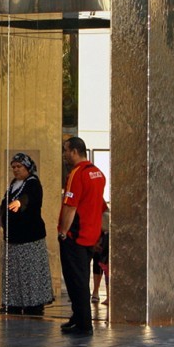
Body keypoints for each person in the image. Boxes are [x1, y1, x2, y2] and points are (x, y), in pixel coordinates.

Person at [0, 152, 54, 316]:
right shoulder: (13, 184)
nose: (16, 170)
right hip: (13, 237)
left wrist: (20, 202)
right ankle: (14, 303)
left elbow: (30, 198)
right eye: (13, 167)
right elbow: (4, 205)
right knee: (14, 273)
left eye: (19, 166)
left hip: (30, 237)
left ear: (27, 167)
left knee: (30, 272)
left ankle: (34, 303)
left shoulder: (33, 183)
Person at [57, 137, 106, 336]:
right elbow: (101, 205)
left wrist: (62, 232)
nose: (64, 154)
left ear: (75, 151)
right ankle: (78, 316)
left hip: (75, 235)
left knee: (76, 279)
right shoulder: (98, 173)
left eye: (66, 150)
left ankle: (84, 323)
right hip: (91, 234)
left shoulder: (76, 174)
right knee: (82, 277)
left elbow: (71, 206)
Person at [90, 205, 110, 305]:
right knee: (100, 264)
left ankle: (106, 295)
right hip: (96, 233)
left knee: (104, 266)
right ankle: (96, 291)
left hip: (102, 236)